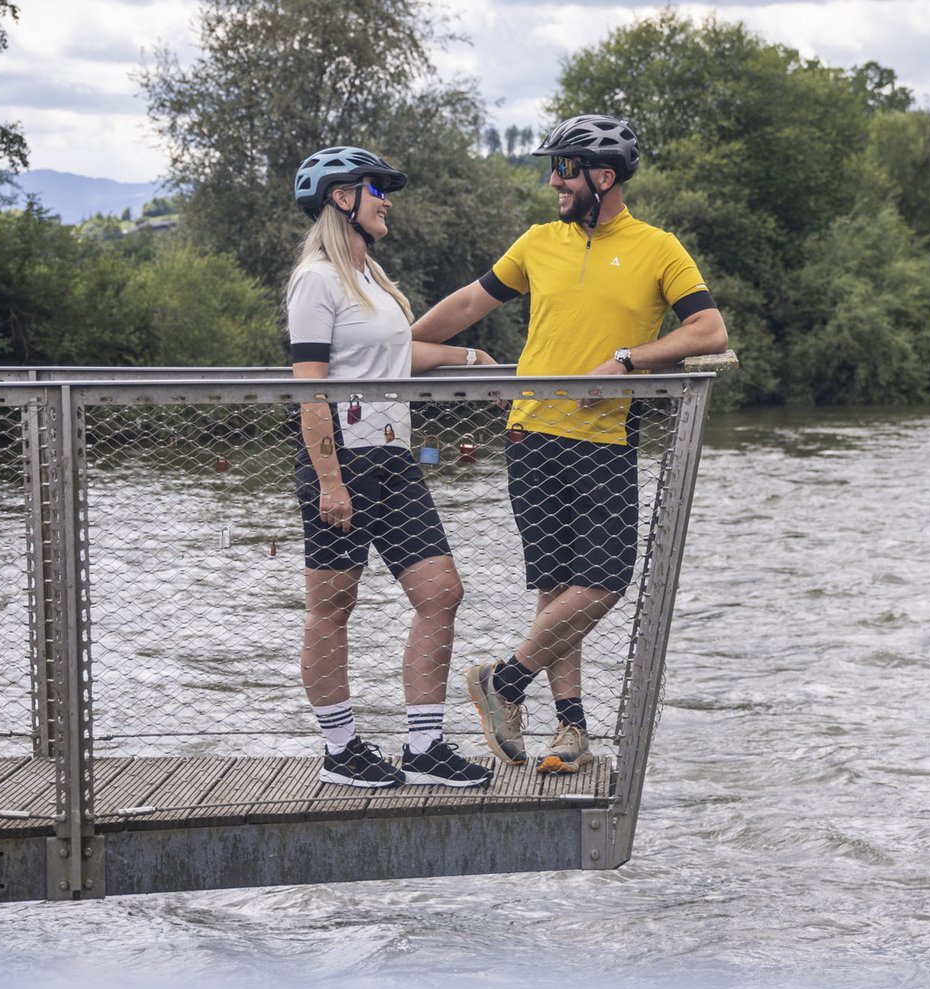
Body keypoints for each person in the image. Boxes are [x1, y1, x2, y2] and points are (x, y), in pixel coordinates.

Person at [411, 114, 728, 775]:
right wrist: (402, 345)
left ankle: (504, 681)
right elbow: (469, 305)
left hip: (603, 437)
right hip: (529, 432)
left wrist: (629, 362)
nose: (553, 181)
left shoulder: (657, 248)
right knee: (557, 590)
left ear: (602, 178)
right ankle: (571, 729)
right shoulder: (537, 243)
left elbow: (708, 331)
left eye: (564, 169)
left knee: (604, 580)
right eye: (552, 168)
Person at [287, 145, 497, 790]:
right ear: (342, 198)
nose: (387, 200)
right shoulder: (317, 280)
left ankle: (424, 747)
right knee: (333, 606)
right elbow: (310, 389)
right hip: (341, 461)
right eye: (377, 189)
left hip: (394, 458)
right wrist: (329, 480)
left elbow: (397, 354)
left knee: (441, 594)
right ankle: (340, 748)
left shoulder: (371, 276)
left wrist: (469, 359)